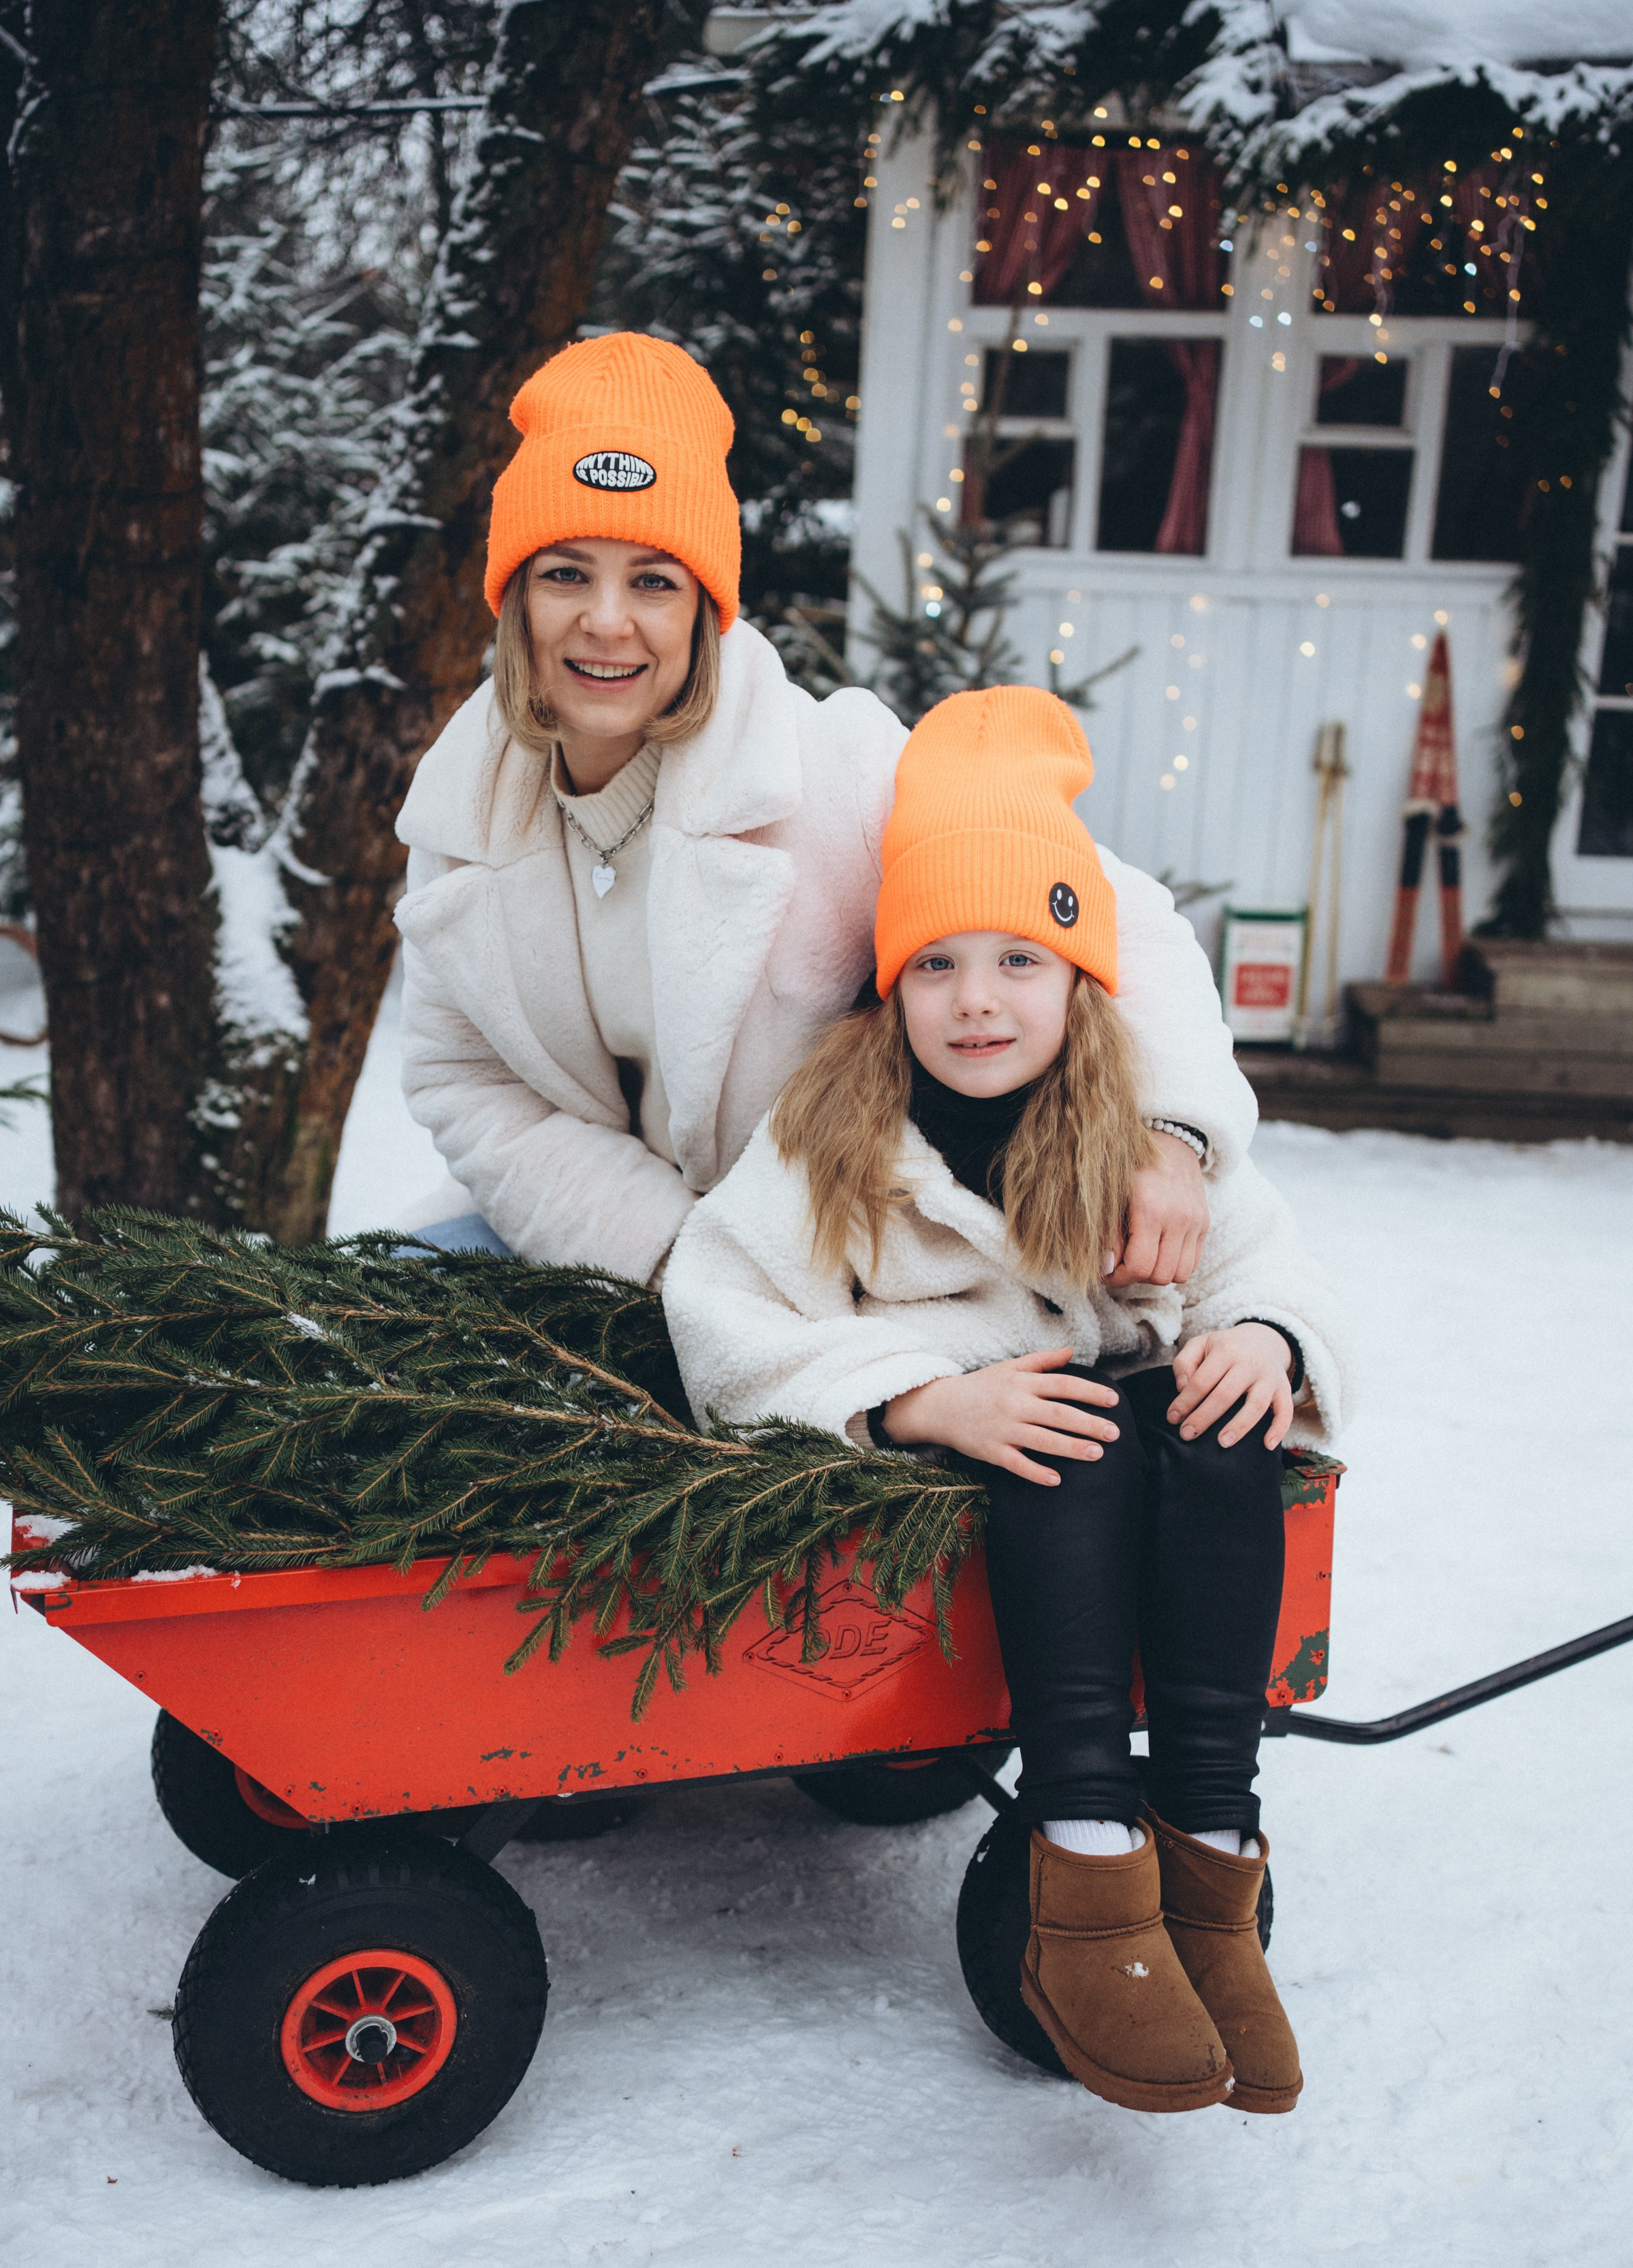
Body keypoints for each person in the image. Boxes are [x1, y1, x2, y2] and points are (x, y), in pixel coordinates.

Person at [662, 687, 1353, 2118]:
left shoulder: (1138, 1136)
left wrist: (1267, 1339)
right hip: (996, 1488)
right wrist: (916, 1399)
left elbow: (1265, 1256)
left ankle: (1213, 1866)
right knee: (1072, 1447)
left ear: (1079, 982)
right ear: (889, 988)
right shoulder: (835, 1136)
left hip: (1132, 1480)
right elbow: (717, 1310)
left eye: (1018, 961)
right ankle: (1086, 1862)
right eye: (936, 966)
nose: (976, 1001)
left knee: (1216, 1426)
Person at [392, 331, 1256, 1286]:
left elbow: (1117, 921)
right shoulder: (460, 820)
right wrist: (678, 1253)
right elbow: (465, 1081)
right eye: (565, 573)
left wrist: (1168, 1131)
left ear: (704, 608)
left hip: (847, 1262)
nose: (606, 620)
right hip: (630, 1251)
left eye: (652, 580)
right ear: (512, 597)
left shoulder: (830, 771)